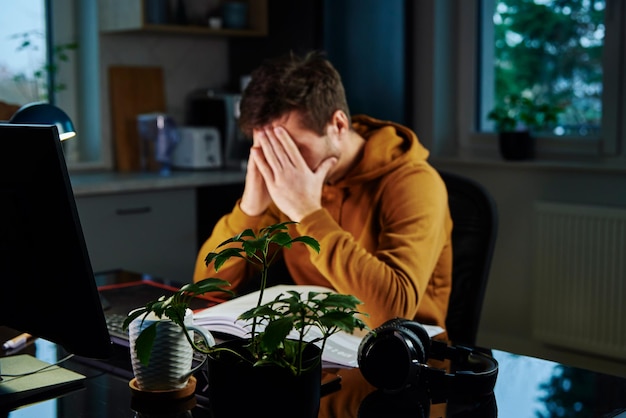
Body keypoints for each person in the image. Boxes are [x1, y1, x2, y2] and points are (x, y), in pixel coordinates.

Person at [193, 51, 452, 330]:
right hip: (318, 351)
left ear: (338, 125)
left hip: (402, 357)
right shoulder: (284, 184)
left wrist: (308, 213)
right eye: (268, 149)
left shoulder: (414, 182)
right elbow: (206, 291)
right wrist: (251, 208)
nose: (282, 163)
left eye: (293, 148)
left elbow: (392, 314)